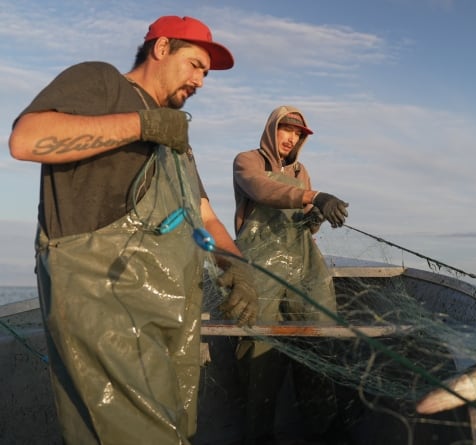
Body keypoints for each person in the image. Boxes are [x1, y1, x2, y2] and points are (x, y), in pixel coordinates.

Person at [8, 16, 261, 445]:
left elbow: (205, 215)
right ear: (161, 49)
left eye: (205, 73)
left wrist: (237, 266)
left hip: (173, 315)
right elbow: (26, 139)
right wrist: (142, 125)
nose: (201, 80)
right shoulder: (102, 81)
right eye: (195, 65)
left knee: (179, 432)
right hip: (104, 305)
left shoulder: (175, 135)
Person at [232, 105, 349, 442]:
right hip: (259, 264)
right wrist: (314, 196)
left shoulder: (301, 171)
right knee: (258, 350)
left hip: (302, 264)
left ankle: (323, 429)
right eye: (287, 129)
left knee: (317, 338)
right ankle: (259, 434)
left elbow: (305, 230)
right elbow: (261, 189)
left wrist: (317, 216)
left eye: (298, 134)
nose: (292, 137)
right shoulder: (247, 161)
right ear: (272, 129)